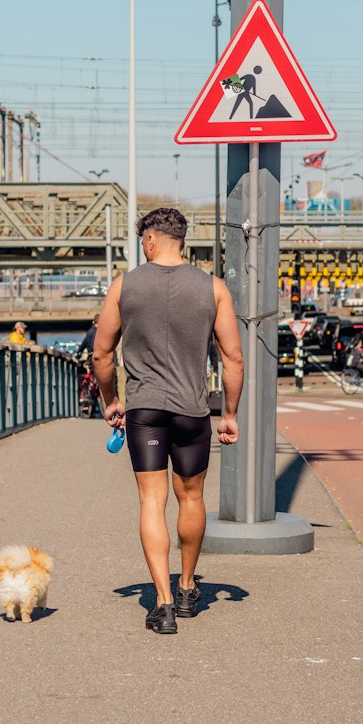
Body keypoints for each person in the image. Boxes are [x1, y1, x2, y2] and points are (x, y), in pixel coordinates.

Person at [93, 206, 244, 636]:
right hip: (192, 408)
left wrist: (110, 400)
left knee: (150, 502)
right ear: (182, 240)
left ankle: (161, 604)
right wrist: (229, 413)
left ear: (150, 240)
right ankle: (187, 586)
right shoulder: (213, 289)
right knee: (191, 499)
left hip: (144, 410)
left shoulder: (124, 286)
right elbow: (233, 358)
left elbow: (102, 353)